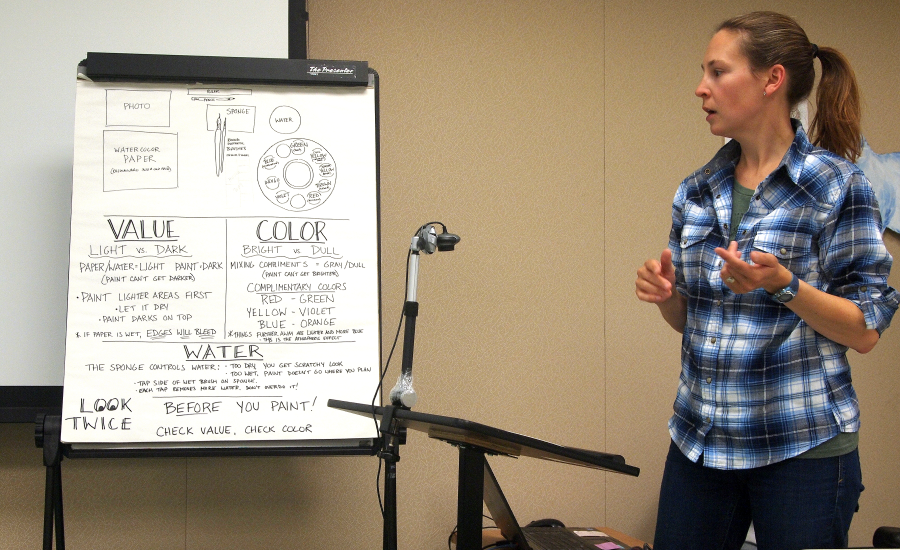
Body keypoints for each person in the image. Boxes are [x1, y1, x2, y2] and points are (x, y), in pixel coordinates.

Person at [634, 11, 899, 550]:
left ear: (771, 80)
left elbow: (865, 331)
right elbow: (698, 322)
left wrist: (784, 285)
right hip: (700, 444)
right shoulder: (696, 190)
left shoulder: (836, 186)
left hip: (800, 449)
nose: (700, 88)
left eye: (717, 71)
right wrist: (666, 297)